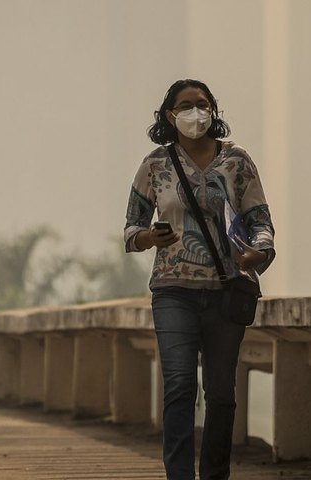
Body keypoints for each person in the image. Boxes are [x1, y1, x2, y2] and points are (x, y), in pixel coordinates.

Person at [124, 79, 275, 480]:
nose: (196, 112)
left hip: (227, 291)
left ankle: (214, 474)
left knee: (222, 394)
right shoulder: (155, 165)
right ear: (170, 115)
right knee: (179, 385)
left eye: (203, 104)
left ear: (213, 110)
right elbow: (131, 229)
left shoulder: (237, 161)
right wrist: (149, 237)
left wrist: (259, 251)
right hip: (173, 290)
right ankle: (178, 475)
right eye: (186, 105)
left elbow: (261, 221)